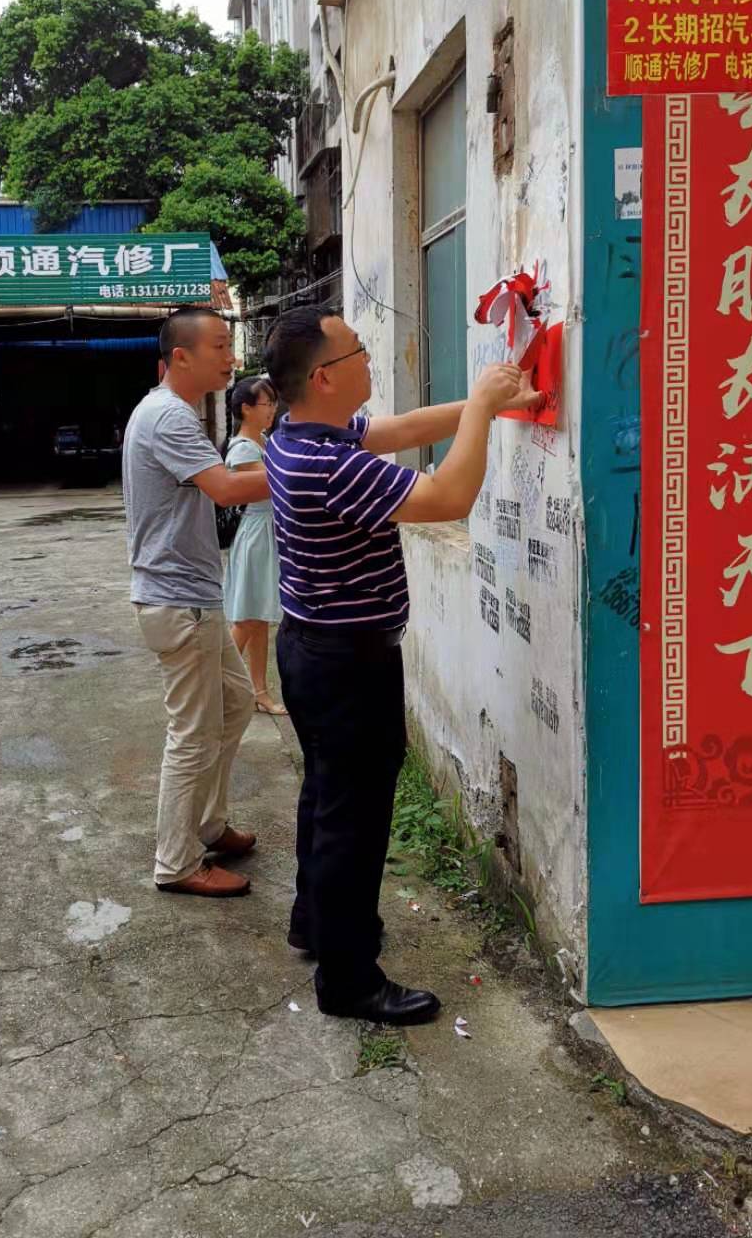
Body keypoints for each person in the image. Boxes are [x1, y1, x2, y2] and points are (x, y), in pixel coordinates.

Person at [263, 304, 539, 1025]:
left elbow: (407, 428)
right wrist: (483, 408)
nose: (368, 359)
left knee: (327, 800)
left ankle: (316, 925)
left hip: (313, 651)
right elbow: (448, 498)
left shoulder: (297, 432)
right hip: (347, 667)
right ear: (325, 378)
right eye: (357, 351)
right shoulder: (329, 466)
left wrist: (492, 402)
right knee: (353, 822)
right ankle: (348, 980)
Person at [123, 306, 271, 898]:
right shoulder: (168, 416)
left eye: (230, 345)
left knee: (235, 705)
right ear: (180, 356)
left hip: (191, 597)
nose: (231, 358)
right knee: (192, 733)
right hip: (178, 601)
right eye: (219, 346)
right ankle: (177, 861)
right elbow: (229, 488)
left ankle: (208, 823)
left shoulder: (171, 412)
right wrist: (316, 465)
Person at [222, 376, 286, 717]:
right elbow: (278, 482)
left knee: (259, 618)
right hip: (256, 535)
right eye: (266, 404)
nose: (272, 410)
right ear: (246, 409)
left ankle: (259, 692)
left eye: (274, 403)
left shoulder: (263, 441)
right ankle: (214, 687)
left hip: (266, 533)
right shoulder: (243, 450)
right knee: (247, 619)